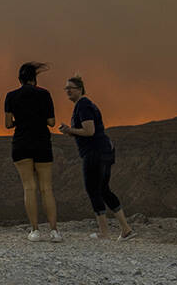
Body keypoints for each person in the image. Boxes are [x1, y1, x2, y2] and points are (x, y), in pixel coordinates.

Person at [58, 75, 134, 240]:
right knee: (104, 189)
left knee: (93, 189)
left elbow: (89, 131)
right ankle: (126, 229)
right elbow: (87, 131)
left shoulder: (83, 105)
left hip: (95, 153)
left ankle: (104, 233)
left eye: (71, 88)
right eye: (66, 88)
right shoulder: (85, 105)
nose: (68, 91)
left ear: (80, 89)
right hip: (104, 151)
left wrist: (70, 130)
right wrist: (70, 131)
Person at [3, 61, 61, 242]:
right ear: (34, 79)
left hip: (21, 144)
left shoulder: (10, 96)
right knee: (46, 188)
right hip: (42, 142)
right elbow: (51, 122)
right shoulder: (44, 94)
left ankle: (35, 230)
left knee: (29, 187)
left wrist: (20, 121)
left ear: (19, 79)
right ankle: (54, 231)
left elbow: (7, 124)